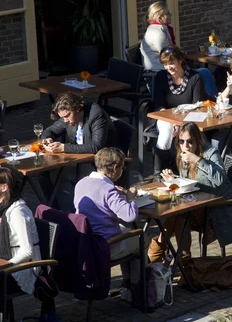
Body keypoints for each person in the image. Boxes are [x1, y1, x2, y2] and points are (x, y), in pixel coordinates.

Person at [151, 123, 232, 263]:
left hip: (218, 210)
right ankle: (181, 262)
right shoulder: (182, 155)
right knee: (177, 216)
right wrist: (173, 180)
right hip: (197, 205)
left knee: (179, 216)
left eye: (190, 141)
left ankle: (157, 257)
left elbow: (220, 180)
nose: (186, 146)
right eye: (181, 141)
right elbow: (189, 183)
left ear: (197, 141)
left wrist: (197, 160)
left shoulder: (211, 153)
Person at [73, 148, 140, 302]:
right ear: (115, 168)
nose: (122, 171)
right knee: (140, 238)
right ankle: (136, 288)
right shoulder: (108, 190)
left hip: (87, 242)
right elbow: (130, 216)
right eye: (122, 168)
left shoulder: (81, 183)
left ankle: (127, 284)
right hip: (106, 245)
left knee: (128, 232)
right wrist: (130, 198)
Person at [0, 167, 62, 322]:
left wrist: (6, 265)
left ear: (4, 187)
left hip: (21, 268)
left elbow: (27, 251)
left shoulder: (17, 212)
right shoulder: (3, 208)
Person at [41, 92, 118, 211]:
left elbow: (96, 147)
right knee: (43, 173)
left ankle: (73, 215)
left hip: (100, 161)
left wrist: (63, 148)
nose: (65, 120)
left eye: (67, 116)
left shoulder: (96, 115)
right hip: (80, 159)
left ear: (77, 108)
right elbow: (50, 130)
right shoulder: (68, 116)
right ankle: (55, 211)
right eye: (63, 117)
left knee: (60, 175)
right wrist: (47, 139)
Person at [153, 45, 208, 174]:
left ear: (180, 60)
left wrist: (181, 125)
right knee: (167, 130)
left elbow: (197, 106)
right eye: (165, 64)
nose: (168, 67)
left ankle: (184, 169)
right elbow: (159, 105)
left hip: (190, 120)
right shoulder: (160, 78)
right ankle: (160, 172)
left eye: (171, 63)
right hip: (166, 118)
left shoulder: (195, 78)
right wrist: (173, 122)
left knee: (185, 134)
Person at [140, 1, 174, 77]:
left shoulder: (160, 28)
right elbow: (168, 53)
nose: (170, 15)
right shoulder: (157, 33)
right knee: (202, 73)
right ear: (160, 18)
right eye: (167, 14)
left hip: (163, 70)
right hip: (157, 75)